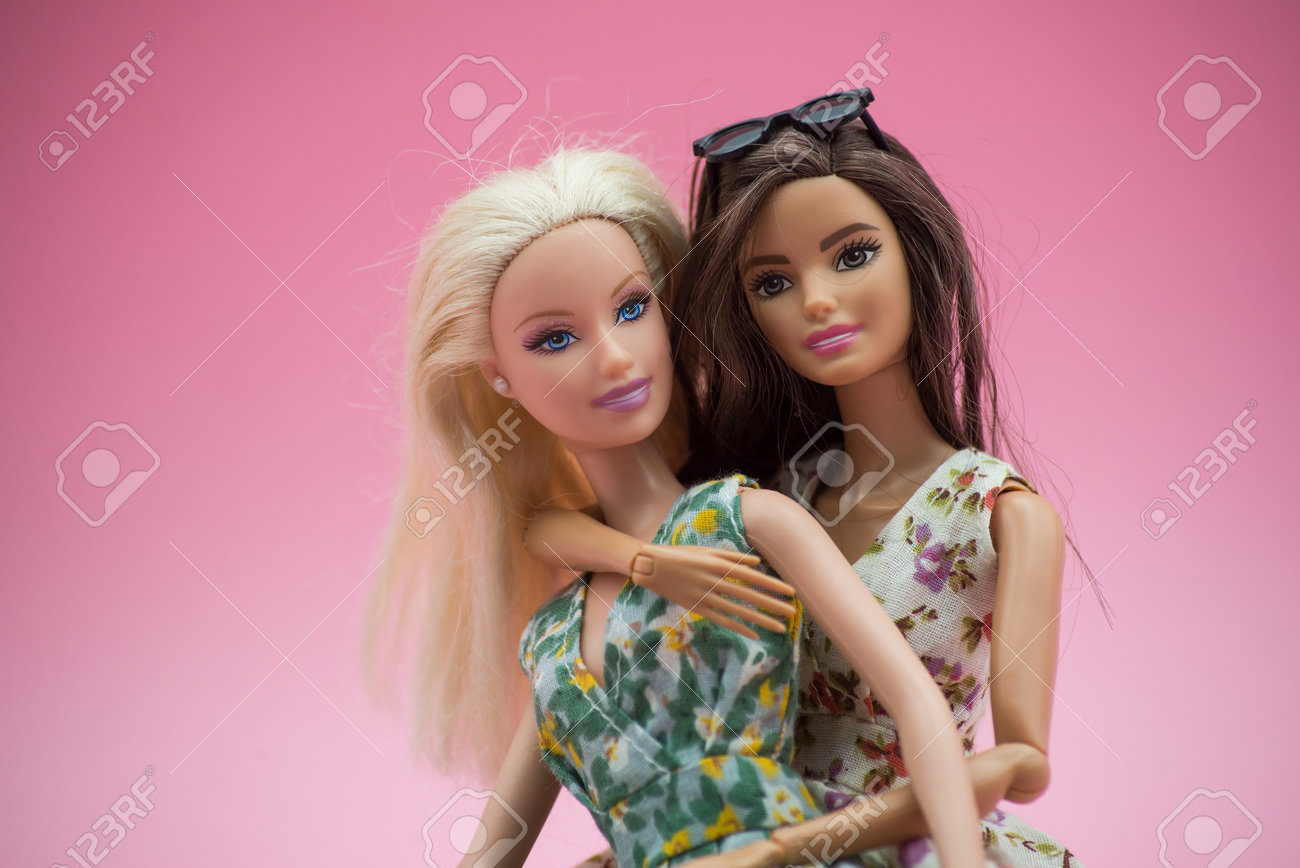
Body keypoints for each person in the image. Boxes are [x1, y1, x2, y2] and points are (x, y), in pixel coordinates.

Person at [363, 147, 994, 868]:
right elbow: (492, 851)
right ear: (498, 376)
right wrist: (639, 561)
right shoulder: (552, 642)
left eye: (632, 309)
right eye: (555, 339)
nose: (615, 359)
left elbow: (919, 707)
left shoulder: (749, 521)